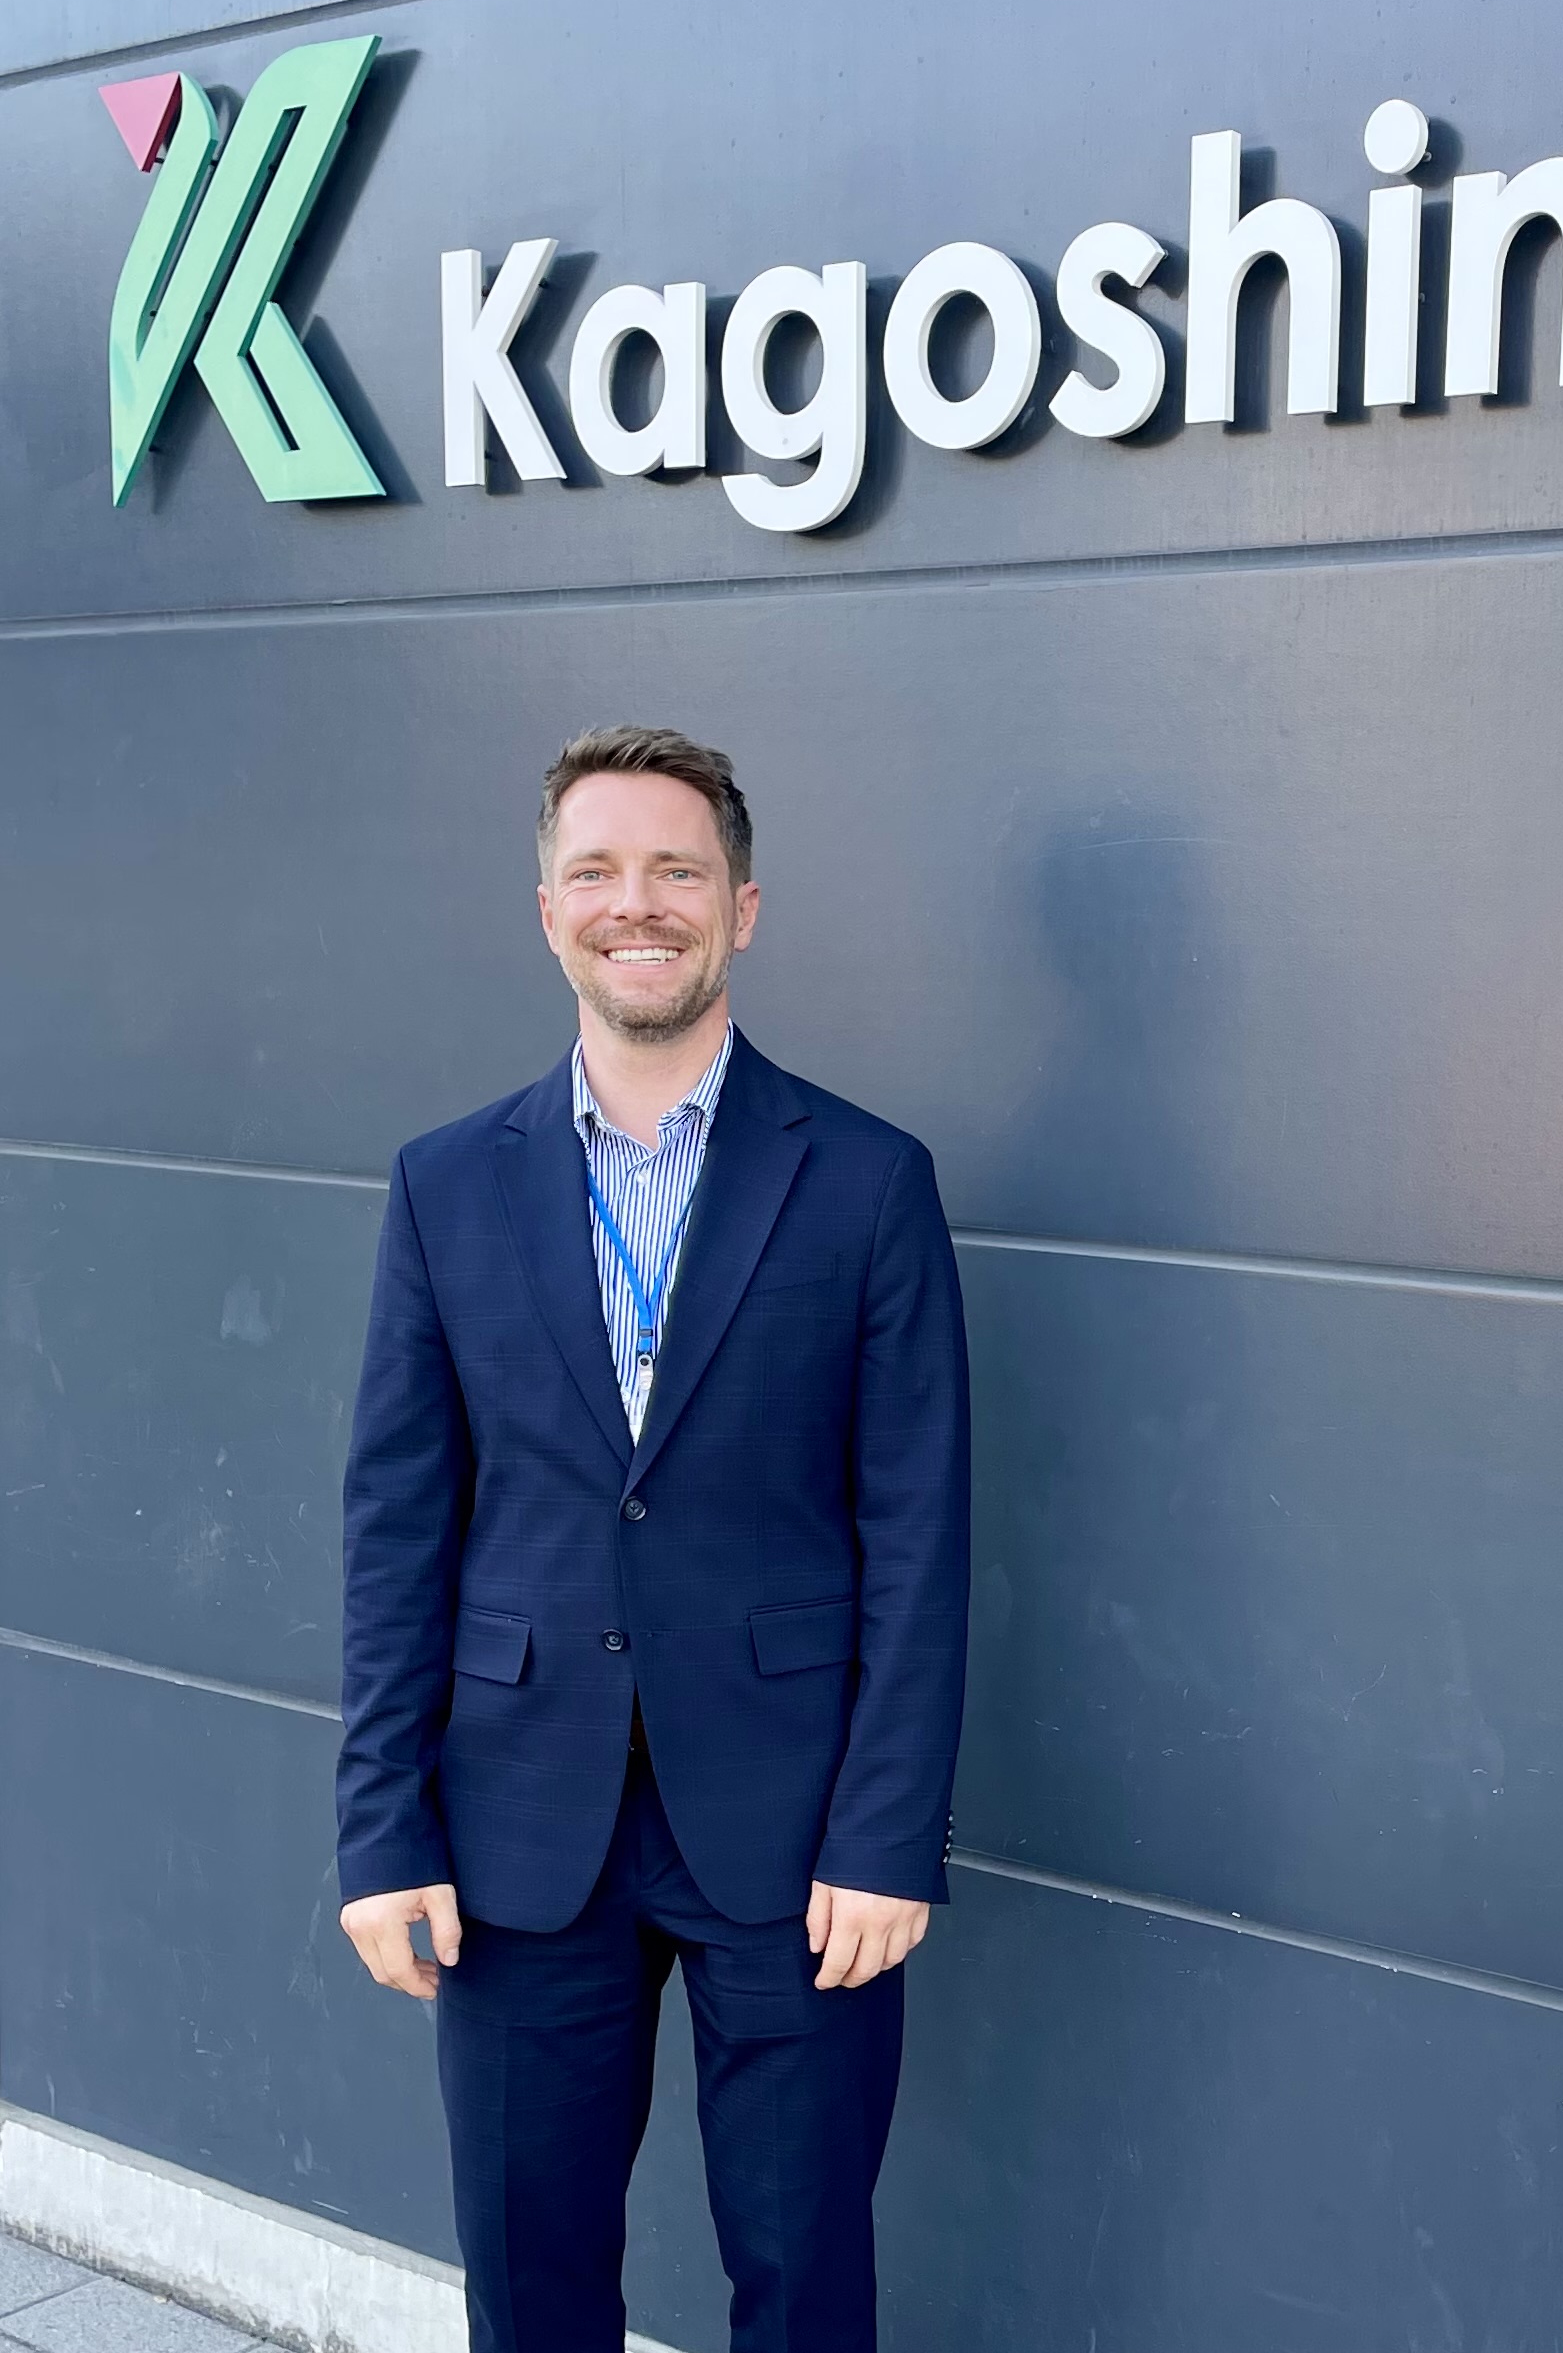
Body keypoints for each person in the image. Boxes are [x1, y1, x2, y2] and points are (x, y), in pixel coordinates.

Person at [334, 726, 970, 2353]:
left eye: (678, 870)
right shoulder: (443, 1184)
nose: (640, 903)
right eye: (598, 871)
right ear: (548, 910)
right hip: (514, 1826)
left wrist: (887, 1834)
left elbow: (919, 1533)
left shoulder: (869, 1182)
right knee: (528, 2286)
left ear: (740, 907)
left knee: (804, 2284)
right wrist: (381, 1829)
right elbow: (398, 1527)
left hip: (796, 1837)